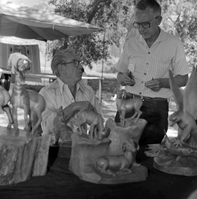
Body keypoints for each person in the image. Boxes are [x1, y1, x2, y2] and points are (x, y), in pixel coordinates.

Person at [115, 0, 190, 145]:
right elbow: (119, 75)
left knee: (149, 156)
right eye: (137, 24)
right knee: (119, 150)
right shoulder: (131, 43)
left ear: (159, 20)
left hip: (157, 108)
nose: (141, 29)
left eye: (145, 24)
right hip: (129, 104)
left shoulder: (174, 43)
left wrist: (162, 83)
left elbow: (183, 79)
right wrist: (122, 78)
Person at [39, 49, 102, 143]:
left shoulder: (88, 91)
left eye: (79, 63)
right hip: (54, 151)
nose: (81, 67)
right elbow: (46, 127)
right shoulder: (47, 93)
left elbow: (99, 121)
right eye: (75, 63)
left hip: (81, 149)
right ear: (62, 69)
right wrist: (74, 107)